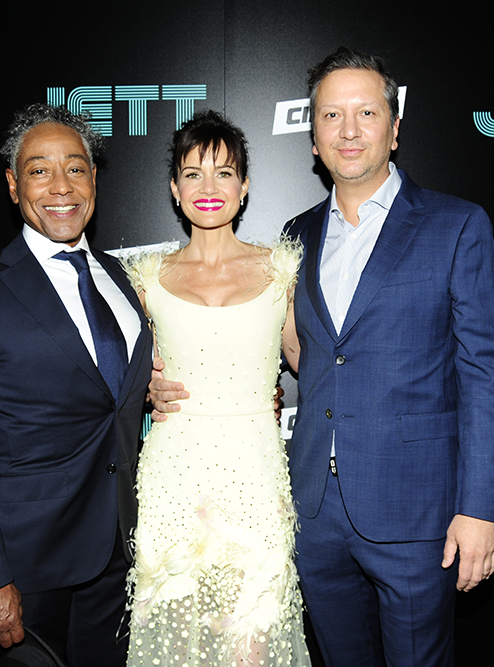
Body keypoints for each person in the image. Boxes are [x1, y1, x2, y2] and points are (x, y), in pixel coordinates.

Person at [151, 47, 494, 666]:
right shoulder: (295, 238)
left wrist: (479, 511)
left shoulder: (457, 226)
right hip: (312, 513)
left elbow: (484, 377)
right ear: (312, 137)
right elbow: (277, 352)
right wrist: (163, 387)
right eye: (331, 116)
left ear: (394, 129)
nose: (348, 130)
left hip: (416, 516)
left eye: (366, 113)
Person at [0, 103, 152, 667]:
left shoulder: (124, 280)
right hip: (27, 571)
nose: (61, 186)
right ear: (12, 184)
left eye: (75, 168)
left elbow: (113, 397)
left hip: (121, 555)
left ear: (94, 179)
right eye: (38, 170)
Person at [121, 110, 311, 666]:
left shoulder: (282, 269)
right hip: (173, 475)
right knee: (174, 637)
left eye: (224, 173)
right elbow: (124, 378)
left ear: (245, 186)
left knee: (250, 633)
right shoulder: (146, 277)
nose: (209, 188)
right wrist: (148, 392)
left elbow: (311, 364)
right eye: (194, 173)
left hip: (254, 472)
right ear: (174, 188)